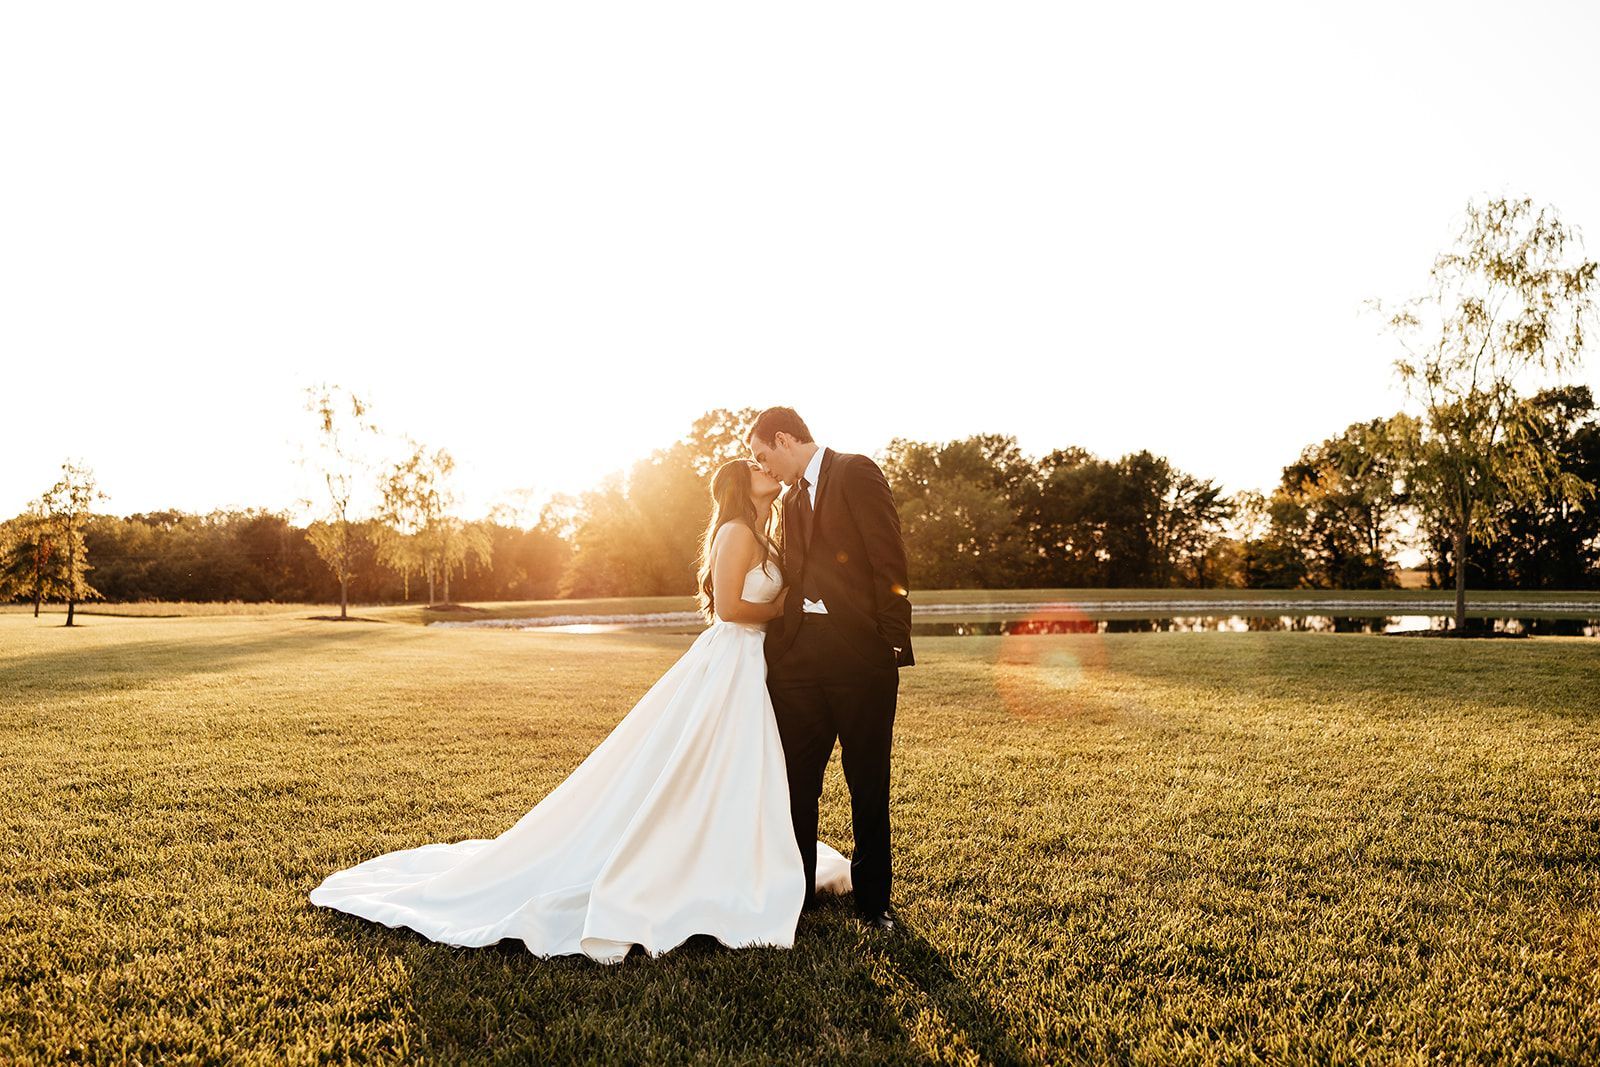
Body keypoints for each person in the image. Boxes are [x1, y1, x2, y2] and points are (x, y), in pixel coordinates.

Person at [308, 458, 851, 964]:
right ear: (738, 486)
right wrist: (787, 607)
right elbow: (731, 608)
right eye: (754, 467)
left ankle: (740, 857)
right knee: (706, 764)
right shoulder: (735, 532)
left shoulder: (763, 532)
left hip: (753, 665)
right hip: (732, 658)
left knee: (739, 770)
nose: (764, 470)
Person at [746, 407, 913, 932]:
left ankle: (873, 903)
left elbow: (889, 558)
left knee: (868, 781)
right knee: (796, 782)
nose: (764, 467)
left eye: (763, 455)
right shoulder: (789, 498)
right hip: (796, 660)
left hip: (859, 655)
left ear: (784, 438)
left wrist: (889, 643)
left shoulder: (855, 471)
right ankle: (796, 894)